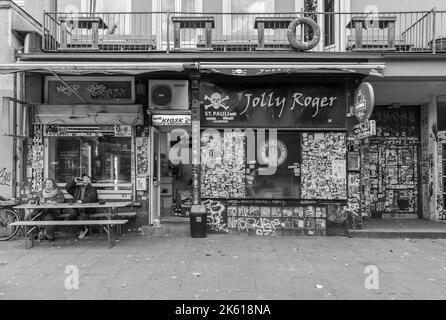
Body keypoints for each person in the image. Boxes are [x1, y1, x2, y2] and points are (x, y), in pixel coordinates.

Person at [64, 174, 98, 239]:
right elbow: (67, 187)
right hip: (77, 209)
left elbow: (91, 197)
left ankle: (82, 229)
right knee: (67, 220)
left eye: (85, 178)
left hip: (87, 210)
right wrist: (74, 181)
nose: (83, 179)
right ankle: (82, 229)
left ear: (89, 181)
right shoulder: (78, 189)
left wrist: (82, 201)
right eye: (83, 178)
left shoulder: (92, 189)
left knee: (81, 219)